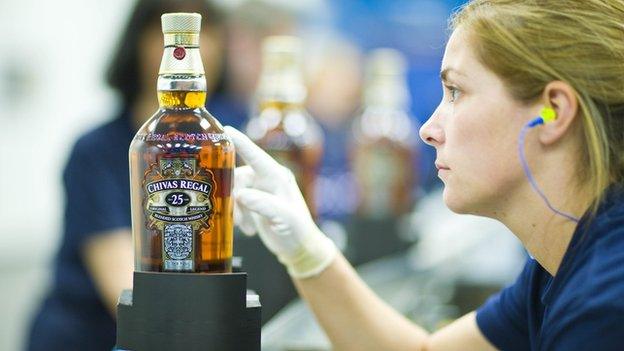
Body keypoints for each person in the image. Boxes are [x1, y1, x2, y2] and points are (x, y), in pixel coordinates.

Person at [226, 0, 624, 350]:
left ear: (552, 111)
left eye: (456, 91)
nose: (428, 129)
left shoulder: (604, 305)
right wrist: (307, 253)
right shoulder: (563, 263)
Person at [26, 1, 227, 350]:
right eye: (170, 38)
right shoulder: (96, 149)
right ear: (139, 41)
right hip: (90, 336)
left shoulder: (219, 142)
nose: (192, 48)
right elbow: (126, 289)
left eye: (205, 31)